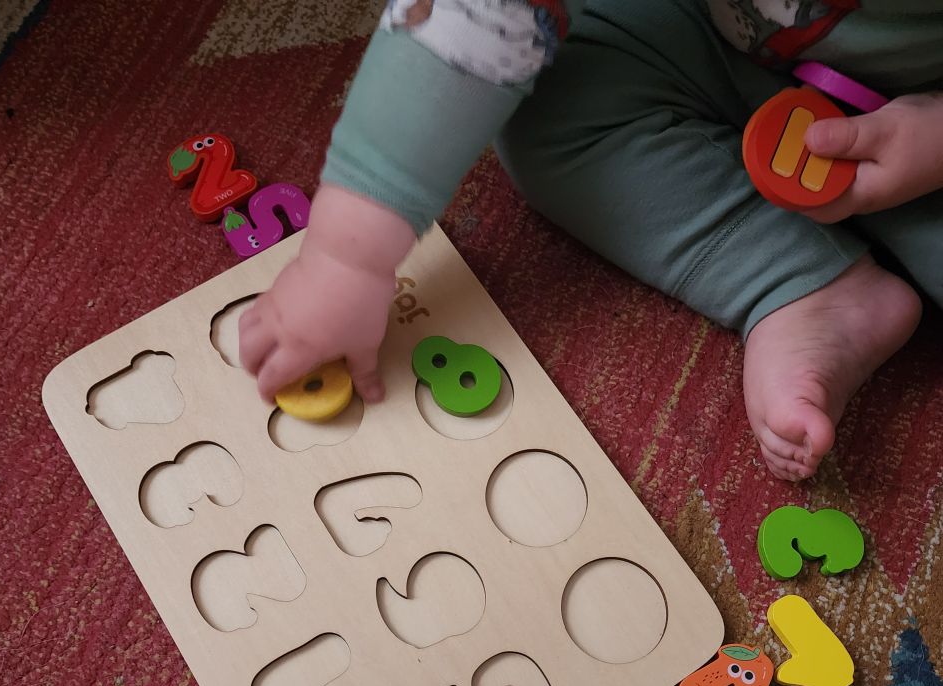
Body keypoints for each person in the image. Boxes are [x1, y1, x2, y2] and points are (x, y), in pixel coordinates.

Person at [239, 0, 943, 481]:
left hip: (922, 111)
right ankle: (797, 280)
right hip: (699, 32)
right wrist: (347, 254)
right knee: (553, 111)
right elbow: (472, 18)